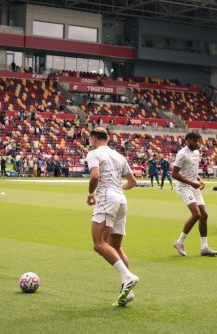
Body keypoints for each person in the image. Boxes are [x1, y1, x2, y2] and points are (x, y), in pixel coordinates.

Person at [85, 127, 139, 307]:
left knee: (99, 243)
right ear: (107, 138)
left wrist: (90, 194)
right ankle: (127, 290)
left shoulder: (93, 153)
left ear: (93, 138)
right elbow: (133, 182)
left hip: (107, 198)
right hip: (121, 200)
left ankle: (128, 277)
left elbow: (95, 176)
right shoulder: (119, 156)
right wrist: (116, 190)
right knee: (116, 246)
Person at [171, 132, 217, 257]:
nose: (197, 143)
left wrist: (199, 179)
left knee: (204, 215)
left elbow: (191, 170)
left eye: (198, 141)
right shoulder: (181, 154)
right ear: (187, 140)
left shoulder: (196, 152)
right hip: (183, 187)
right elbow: (174, 174)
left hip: (193, 186)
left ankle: (204, 247)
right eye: (194, 141)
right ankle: (179, 242)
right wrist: (192, 183)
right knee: (196, 214)